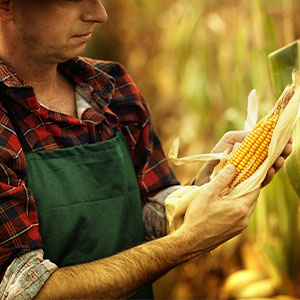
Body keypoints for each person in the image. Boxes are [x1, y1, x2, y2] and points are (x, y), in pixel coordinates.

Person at [0, 0, 292, 299]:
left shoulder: (112, 87)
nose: (99, 15)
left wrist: (209, 186)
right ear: (7, 6)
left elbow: (150, 207)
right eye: (73, 0)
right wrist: (188, 242)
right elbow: (25, 290)